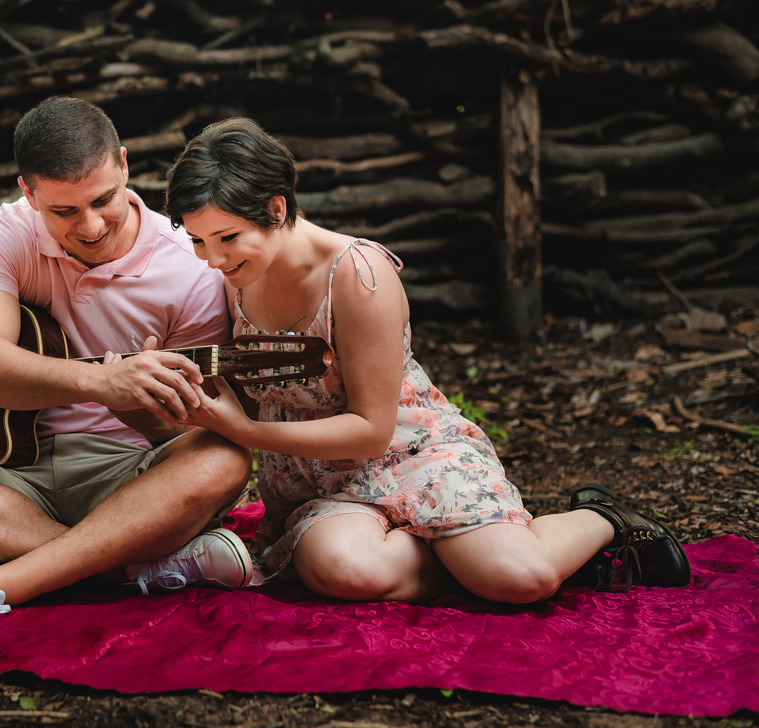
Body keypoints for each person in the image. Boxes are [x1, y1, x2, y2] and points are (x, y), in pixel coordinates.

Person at [162, 117, 691, 603]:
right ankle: (465, 560)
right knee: (344, 569)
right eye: (199, 240)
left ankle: (602, 517)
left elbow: (372, 431)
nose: (213, 259)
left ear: (277, 208)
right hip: (319, 480)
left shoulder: (358, 275)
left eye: (228, 238)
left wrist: (246, 432)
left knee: (519, 580)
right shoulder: (234, 278)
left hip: (408, 453)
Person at [0, 97, 255, 636]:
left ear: (123, 164)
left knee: (223, 460)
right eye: (64, 211)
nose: (92, 226)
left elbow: (186, 430)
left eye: (103, 200)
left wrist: (143, 408)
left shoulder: (191, 267)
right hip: (6, 471)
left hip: (127, 478)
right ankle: (129, 568)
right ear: (28, 192)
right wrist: (100, 382)